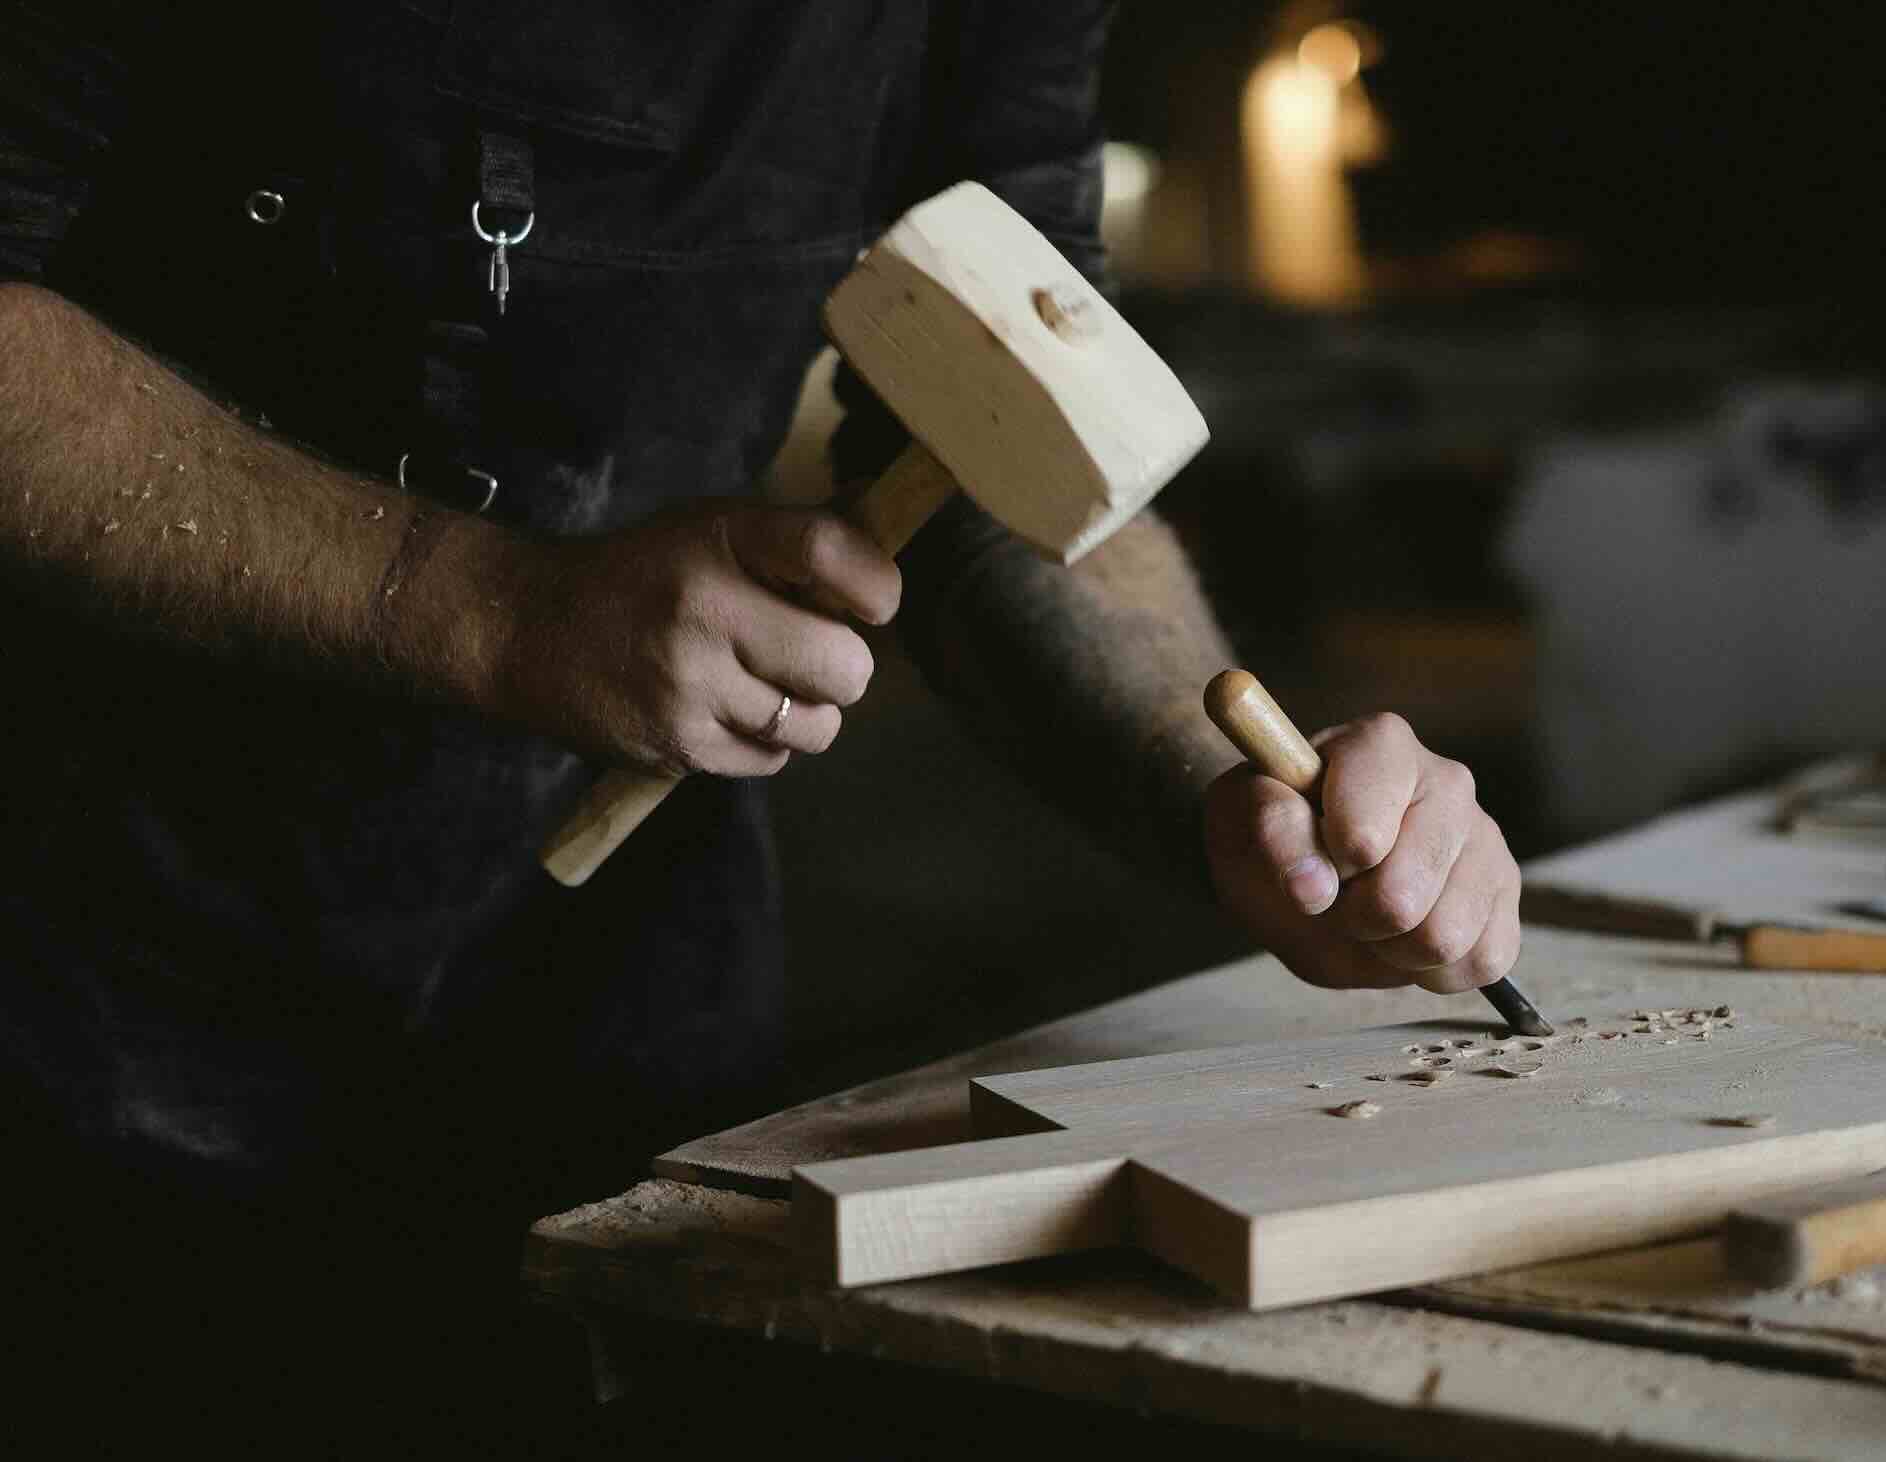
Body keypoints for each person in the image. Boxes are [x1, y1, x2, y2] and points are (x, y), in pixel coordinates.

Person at [0, 1, 1520, 1431]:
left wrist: (1228, 792)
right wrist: (484, 602)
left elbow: (1011, 412)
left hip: (615, 1010)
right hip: (90, 987)